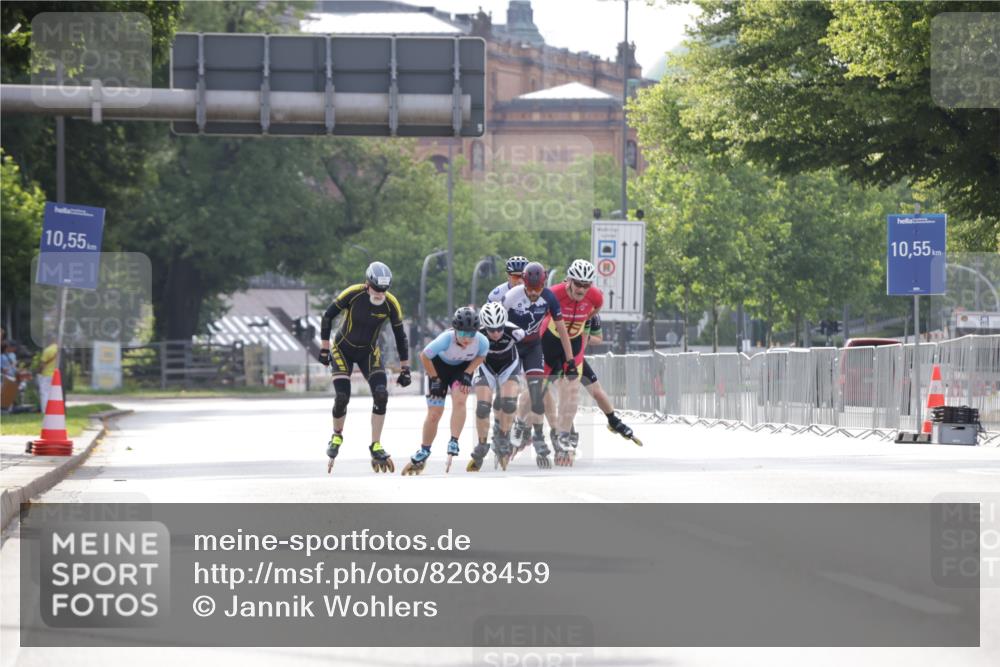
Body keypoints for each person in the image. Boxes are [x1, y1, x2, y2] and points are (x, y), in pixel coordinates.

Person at [319, 261, 411, 473]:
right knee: (342, 396)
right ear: (367, 284)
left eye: (384, 290)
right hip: (342, 349)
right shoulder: (353, 293)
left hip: (368, 351)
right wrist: (324, 348)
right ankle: (336, 435)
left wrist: (405, 367)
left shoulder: (391, 303)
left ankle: (376, 445)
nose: (380, 294)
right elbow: (328, 316)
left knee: (381, 394)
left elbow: (400, 336)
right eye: (377, 289)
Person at [503, 261, 575, 468]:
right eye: (530, 289)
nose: (534, 293)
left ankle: (526, 428)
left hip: (534, 346)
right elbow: (496, 324)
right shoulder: (512, 296)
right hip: (512, 345)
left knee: (537, 389)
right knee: (511, 391)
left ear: (544, 285)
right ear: (524, 284)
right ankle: (509, 427)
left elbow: (562, 330)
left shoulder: (549, 297)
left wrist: (570, 360)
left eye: (538, 289)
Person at [403, 307, 488, 475]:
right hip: (438, 369)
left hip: (461, 370)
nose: (467, 339)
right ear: (455, 330)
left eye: (471, 334)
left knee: (460, 400)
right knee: (435, 413)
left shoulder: (482, 341)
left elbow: (481, 356)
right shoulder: (445, 339)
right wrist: (434, 378)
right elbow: (424, 356)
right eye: (462, 333)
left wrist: (468, 372)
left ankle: (454, 441)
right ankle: (424, 450)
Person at [539, 259, 604, 465]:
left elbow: (593, 317)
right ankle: (555, 430)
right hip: (550, 344)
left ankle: (564, 435)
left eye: (586, 285)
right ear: (569, 281)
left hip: (572, 350)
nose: (582, 289)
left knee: (570, 392)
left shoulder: (595, 298)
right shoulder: (553, 294)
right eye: (578, 284)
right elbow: (539, 319)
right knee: (541, 392)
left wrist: (582, 325)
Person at [467, 301, 524, 472]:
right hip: (486, 367)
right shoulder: (476, 333)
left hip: (509, 366)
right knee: (483, 407)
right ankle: (482, 444)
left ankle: (503, 437)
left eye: (499, 328)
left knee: (509, 404)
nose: (496, 333)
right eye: (491, 330)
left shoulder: (516, 332)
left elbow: (532, 347)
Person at [35, 338, 59, 413]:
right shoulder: (59, 350)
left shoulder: (47, 350)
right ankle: (54, 410)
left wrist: (38, 372)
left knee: (44, 393)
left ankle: (45, 410)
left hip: (47, 374)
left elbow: (42, 364)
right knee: (54, 394)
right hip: (57, 375)